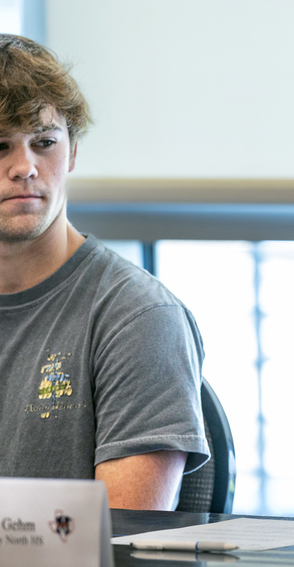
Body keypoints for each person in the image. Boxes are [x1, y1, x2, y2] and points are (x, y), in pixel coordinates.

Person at [0, 34, 209, 509]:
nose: (25, 167)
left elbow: (122, 541)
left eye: (45, 142)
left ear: (72, 153)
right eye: (0, 145)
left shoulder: (139, 316)